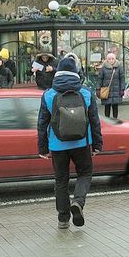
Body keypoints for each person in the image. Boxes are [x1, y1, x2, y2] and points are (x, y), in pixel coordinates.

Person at [36, 55, 102, 229]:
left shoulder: (49, 95)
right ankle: (78, 201)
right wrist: (97, 145)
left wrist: (42, 148)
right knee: (85, 173)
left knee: (61, 180)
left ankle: (63, 219)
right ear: (76, 73)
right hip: (82, 143)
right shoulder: (86, 93)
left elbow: (42, 123)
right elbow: (95, 121)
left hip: (57, 145)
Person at [96, 52, 124, 119]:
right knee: (107, 106)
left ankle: (115, 119)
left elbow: (122, 78)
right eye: (109, 59)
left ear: (115, 59)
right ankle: (107, 120)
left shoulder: (119, 67)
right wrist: (98, 89)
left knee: (115, 106)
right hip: (106, 91)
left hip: (116, 90)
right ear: (107, 59)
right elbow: (100, 79)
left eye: (112, 58)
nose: (111, 60)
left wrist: (122, 89)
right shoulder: (103, 68)